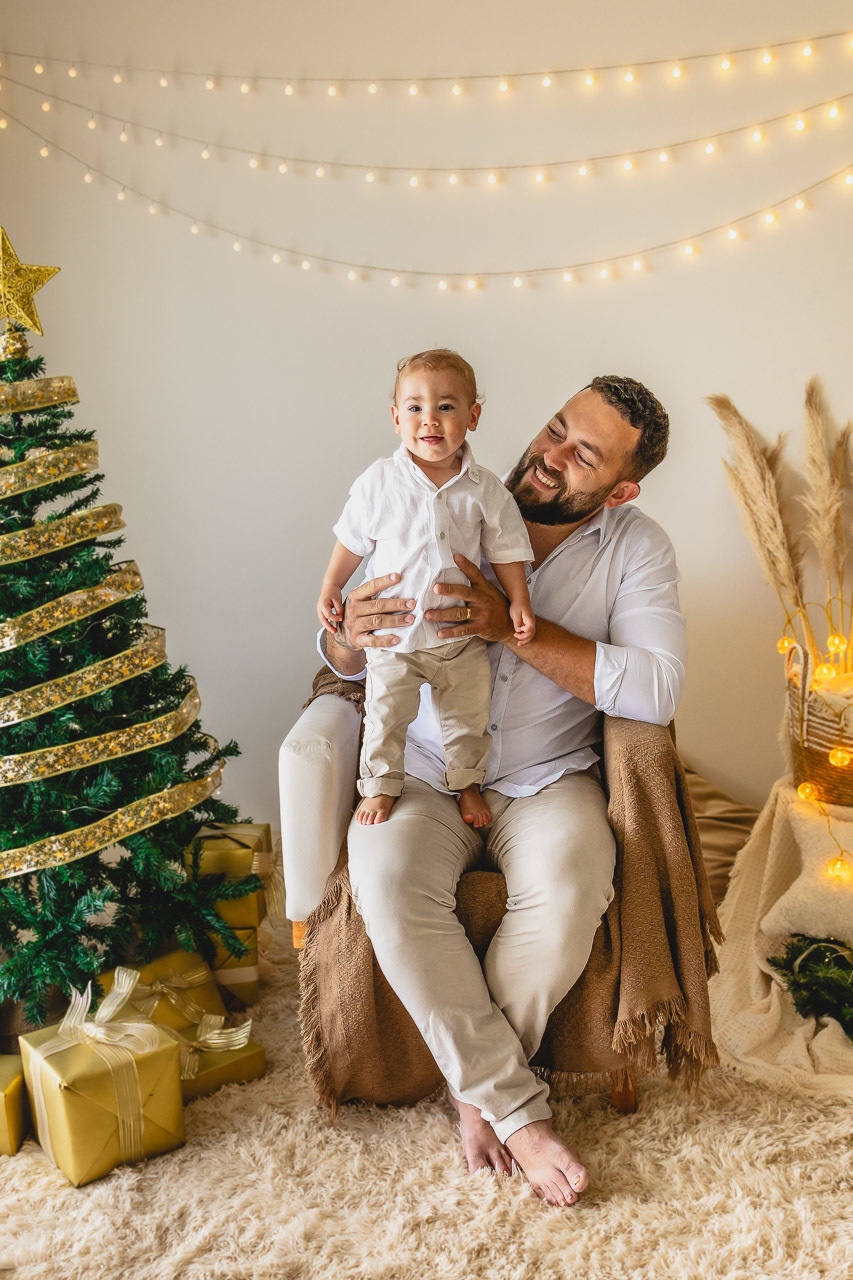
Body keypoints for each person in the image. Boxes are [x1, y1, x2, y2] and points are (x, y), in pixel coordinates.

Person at [316, 373, 685, 1210]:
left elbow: (656, 689)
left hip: (543, 777)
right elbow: (343, 652)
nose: (549, 455)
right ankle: (514, 1108)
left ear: (619, 487)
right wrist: (347, 634)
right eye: (556, 428)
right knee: (384, 881)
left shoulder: (637, 549)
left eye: (581, 453)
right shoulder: (446, 493)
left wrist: (507, 628)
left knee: (570, 888)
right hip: (414, 768)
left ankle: (475, 1089)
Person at [317, 349, 535, 828]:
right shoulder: (380, 482)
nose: (429, 419)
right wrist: (333, 584)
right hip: (396, 641)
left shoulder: (485, 489)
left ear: (473, 416)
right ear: (396, 418)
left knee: (468, 716)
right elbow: (352, 538)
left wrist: (518, 599)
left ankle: (467, 783)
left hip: (459, 639)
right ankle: (379, 786)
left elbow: (506, 549)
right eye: (414, 407)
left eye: (446, 406)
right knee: (385, 717)